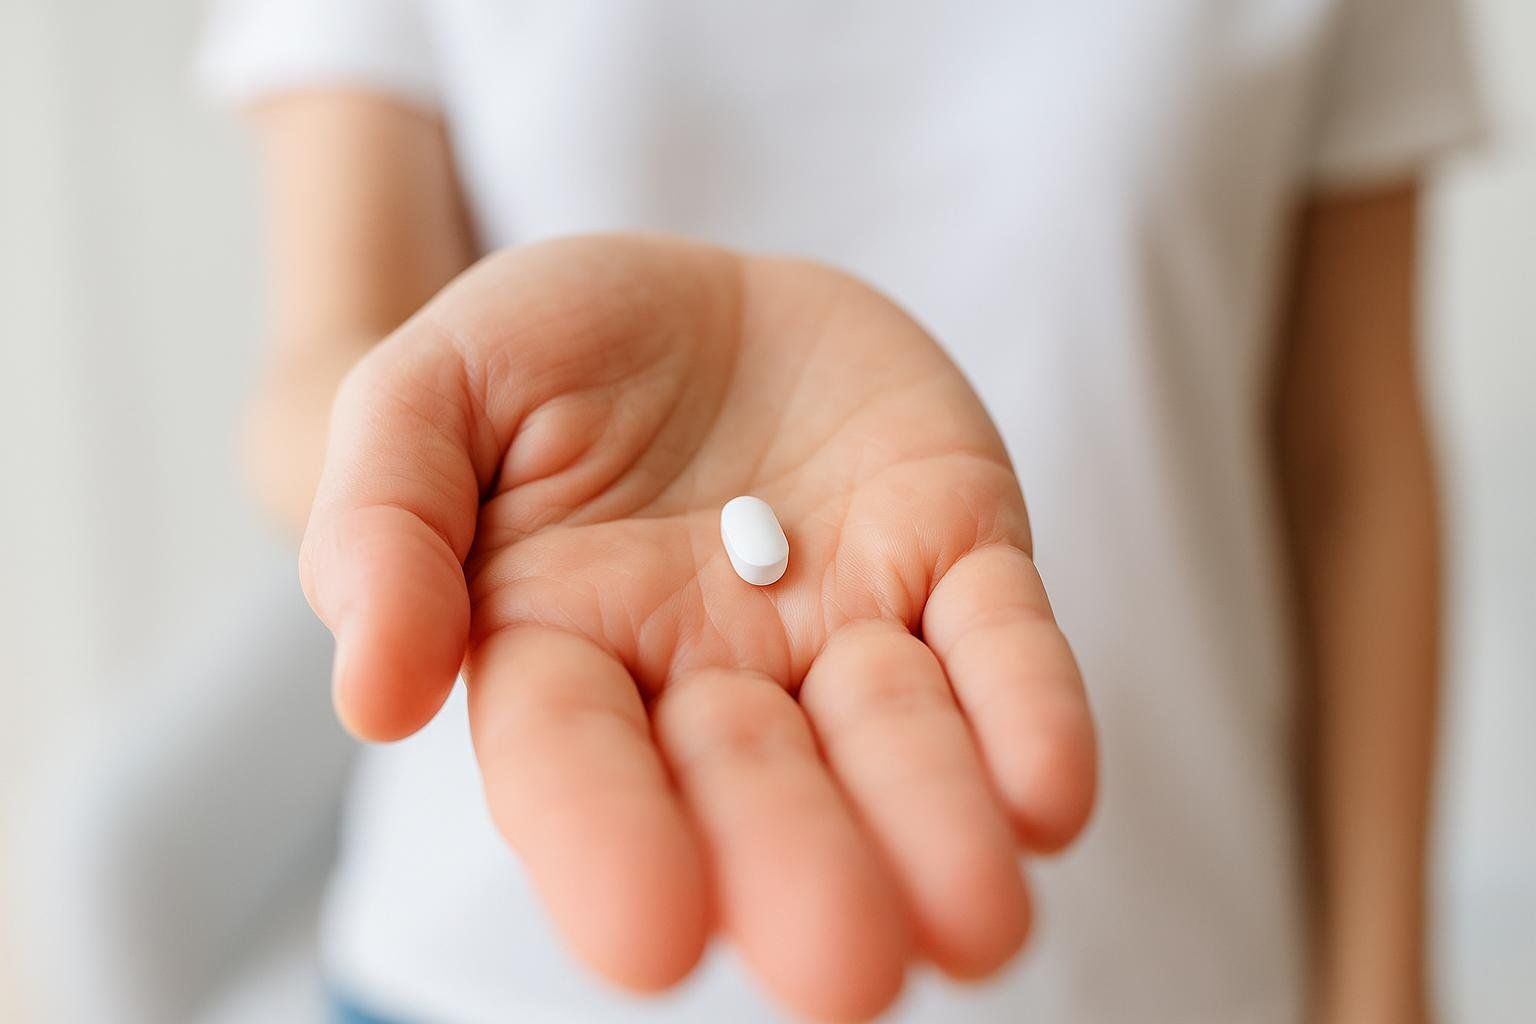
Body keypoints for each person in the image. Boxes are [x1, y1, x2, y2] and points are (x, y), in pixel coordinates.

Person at [199, 1, 1482, 1021]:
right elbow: (318, 371)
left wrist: (1385, 991)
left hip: (1162, 960)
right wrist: (438, 441)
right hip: (503, 959)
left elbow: (1349, 463)